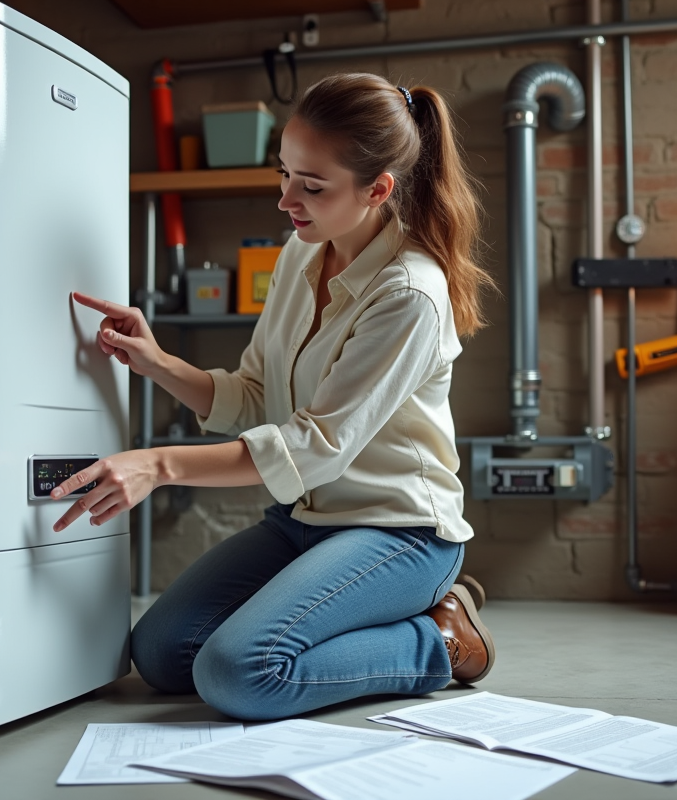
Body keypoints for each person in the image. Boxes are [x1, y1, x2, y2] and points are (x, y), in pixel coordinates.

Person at [51, 73, 495, 721]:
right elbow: (257, 393)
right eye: (285, 173)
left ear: (377, 190)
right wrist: (158, 361)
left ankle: (442, 638)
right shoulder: (299, 254)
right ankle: (345, 618)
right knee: (162, 653)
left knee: (240, 673)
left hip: (400, 534)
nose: (287, 198)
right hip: (303, 524)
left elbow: (314, 447)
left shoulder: (408, 294)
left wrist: (159, 462)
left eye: (312, 186)